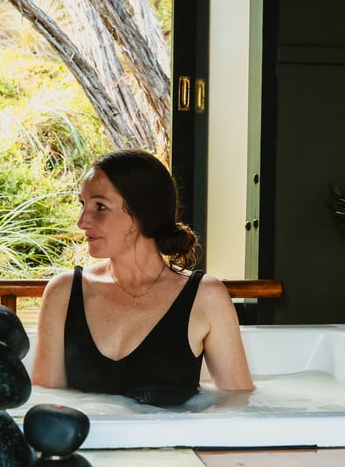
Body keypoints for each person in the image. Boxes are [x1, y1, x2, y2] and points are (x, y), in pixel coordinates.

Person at [31, 149, 253, 406]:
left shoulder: (205, 296)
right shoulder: (64, 292)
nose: (82, 221)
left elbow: (239, 404)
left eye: (100, 206)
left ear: (144, 212)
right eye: (83, 205)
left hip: (174, 445)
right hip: (85, 445)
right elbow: (46, 403)